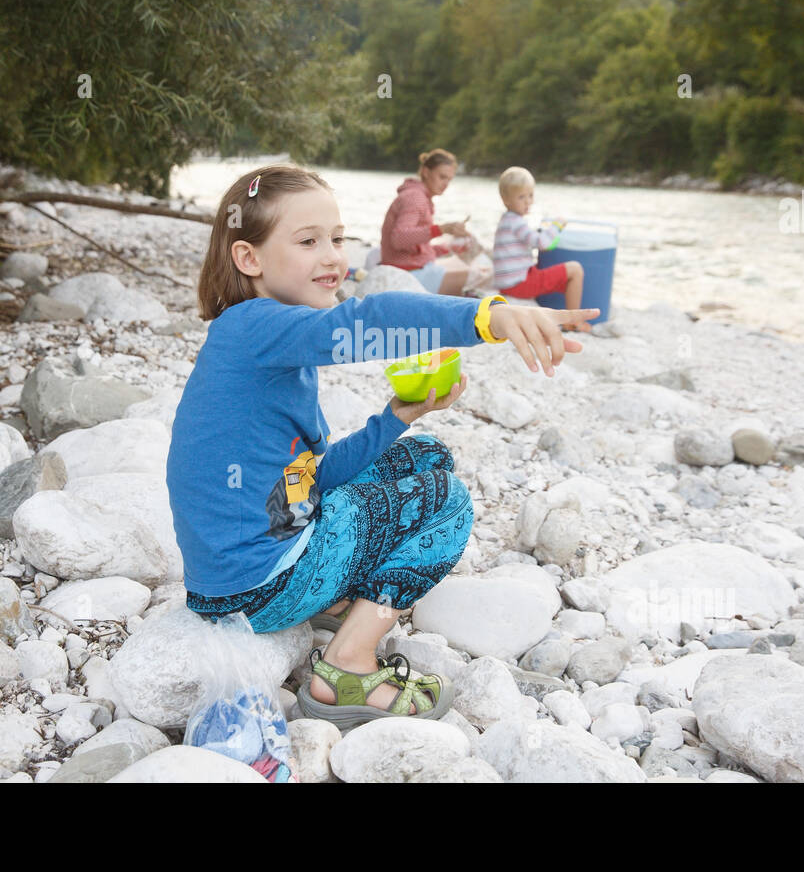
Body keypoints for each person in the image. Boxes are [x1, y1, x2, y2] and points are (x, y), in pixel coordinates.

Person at [167, 163, 598, 729]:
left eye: (338, 239)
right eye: (307, 241)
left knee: (424, 457)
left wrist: (397, 416)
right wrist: (489, 315)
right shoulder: (257, 328)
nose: (332, 257)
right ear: (249, 259)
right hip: (259, 587)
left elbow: (312, 480)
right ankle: (347, 664)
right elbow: (369, 318)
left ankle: (331, 603)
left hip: (232, 584)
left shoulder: (264, 340)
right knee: (448, 503)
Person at [492, 166, 590, 332]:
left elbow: (530, 240)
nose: (528, 201)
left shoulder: (507, 220)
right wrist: (557, 226)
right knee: (575, 269)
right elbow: (542, 243)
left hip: (510, 283)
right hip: (519, 284)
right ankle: (574, 322)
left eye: (530, 195)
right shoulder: (516, 222)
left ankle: (567, 318)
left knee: (564, 281)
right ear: (505, 199)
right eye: (521, 197)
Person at [380, 148, 478, 295]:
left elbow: (415, 247)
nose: (446, 184)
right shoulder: (415, 198)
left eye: (449, 180)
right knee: (484, 275)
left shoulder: (420, 196)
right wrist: (442, 229)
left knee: (471, 268)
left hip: (410, 267)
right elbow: (398, 238)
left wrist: (448, 248)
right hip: (406, 275)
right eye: (442, 177)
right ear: (426, 172)